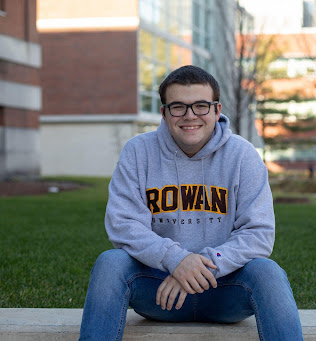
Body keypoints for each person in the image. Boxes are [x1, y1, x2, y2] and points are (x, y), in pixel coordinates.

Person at [79, 65, 303, 340]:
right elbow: (123, 224)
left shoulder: (243, 156)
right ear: (164, 112)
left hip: (225, 291)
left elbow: (259, 235)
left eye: (200, 106)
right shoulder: (138, 152)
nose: (190, 116)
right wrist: (175, 260)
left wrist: (195, 266)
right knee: (110, 263)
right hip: (160, 291)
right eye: (178, 107)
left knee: (267, 272)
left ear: (217, 110)